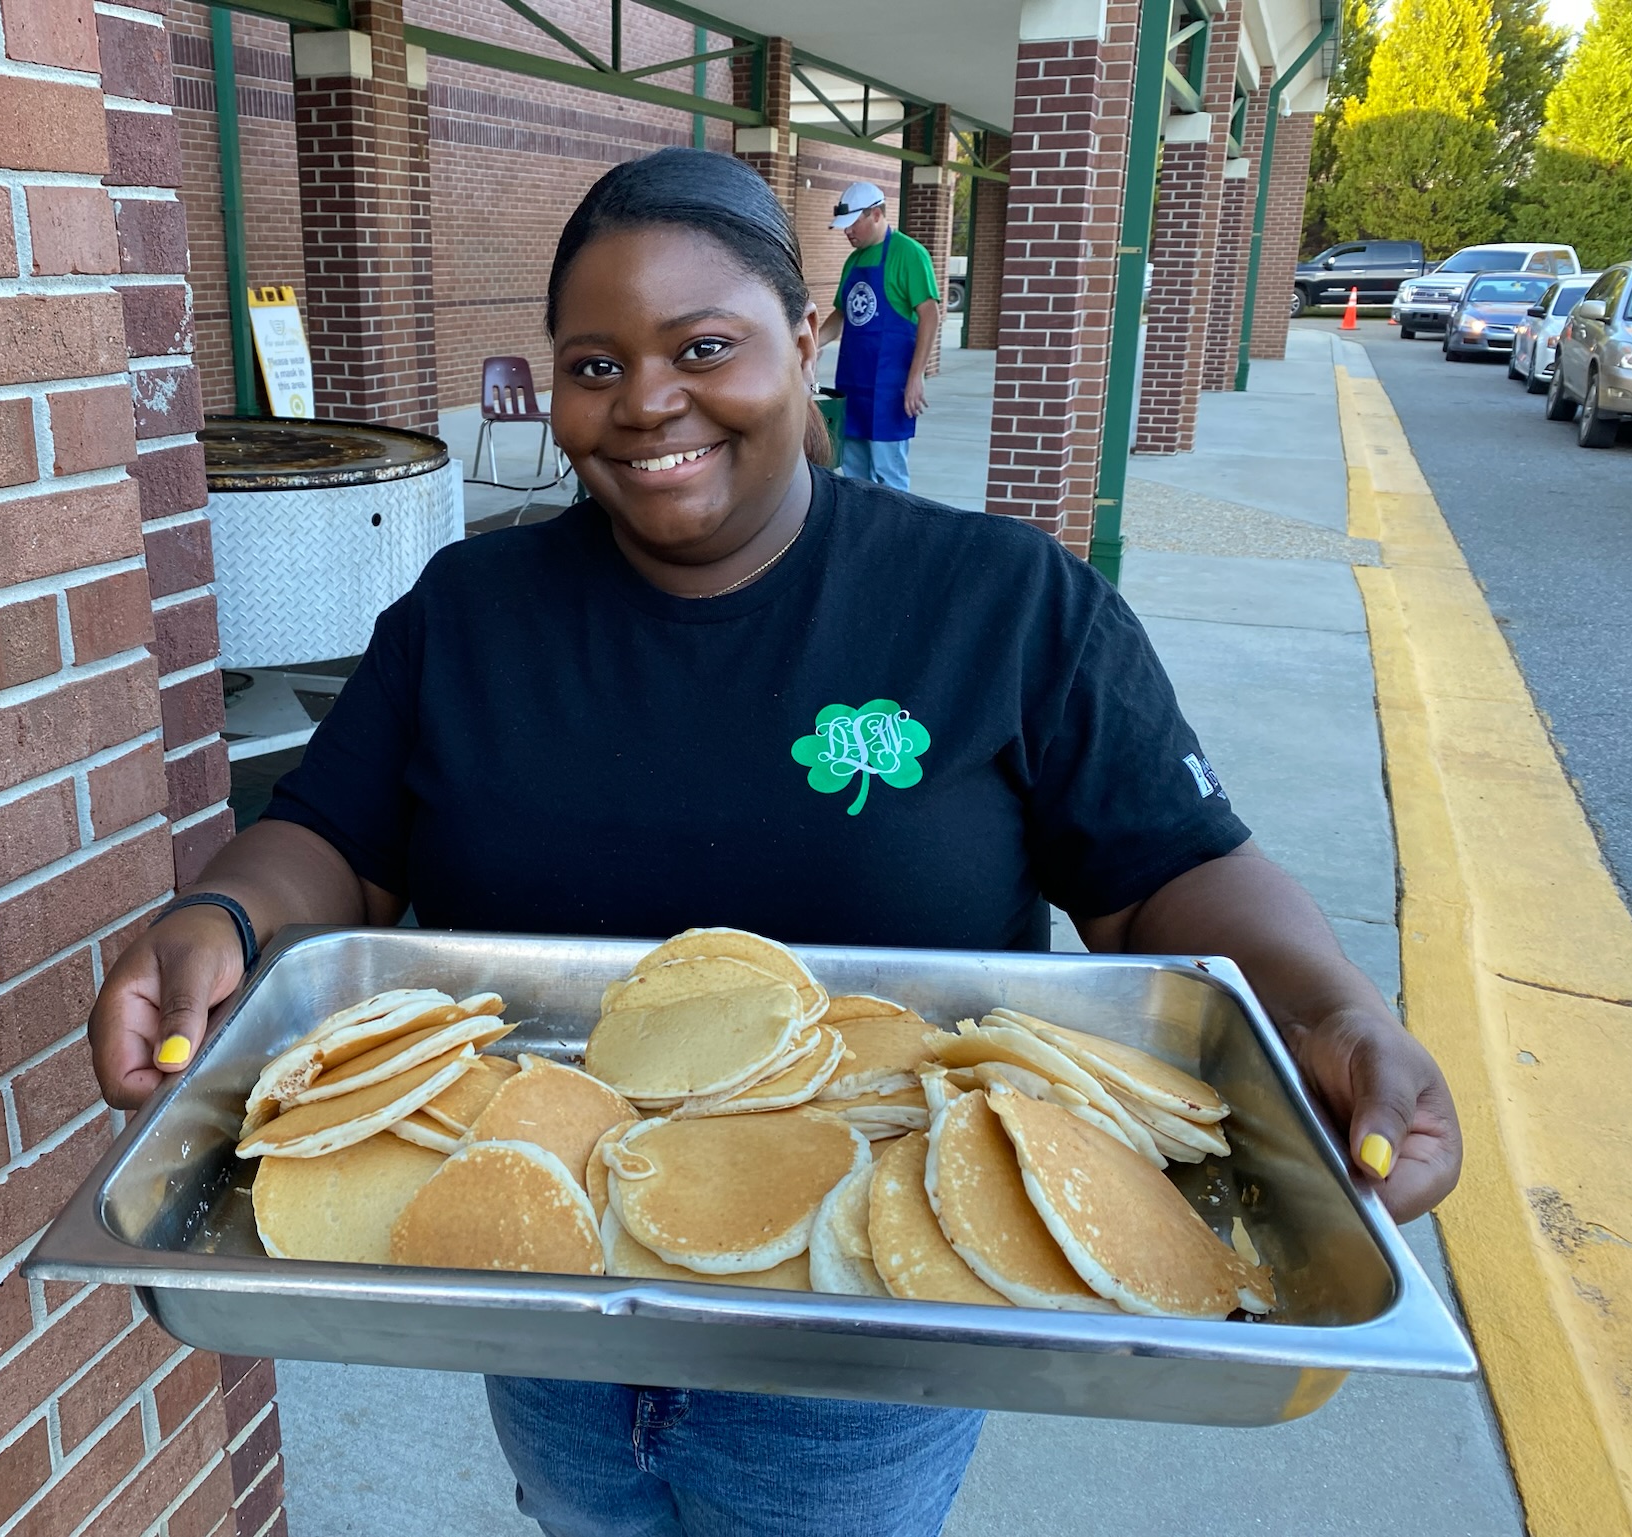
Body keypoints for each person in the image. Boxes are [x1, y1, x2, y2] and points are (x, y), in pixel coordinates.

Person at [91, 148, 1462, 1537]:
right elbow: (336, 837)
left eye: (703, 346)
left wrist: (1329, 1011)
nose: (646, 405)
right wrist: (229, 922)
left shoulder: (1000, 606)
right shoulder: (468, 615)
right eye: (593, 365)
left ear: (806, 339)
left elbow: (1168, 873)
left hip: (873, 1344)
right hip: (546, 1293)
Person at [816, 181, 941, 492]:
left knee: (889, 475)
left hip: (891, 387)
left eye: (851, 224)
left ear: (874, 214)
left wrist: (916, 377)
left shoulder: (909, 254)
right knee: (854, 474)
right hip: (853, 384)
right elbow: (841, 315)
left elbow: (930, 314)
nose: (847, 233)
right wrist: (809, 344)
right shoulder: (853, 261)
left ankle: (897, 538)